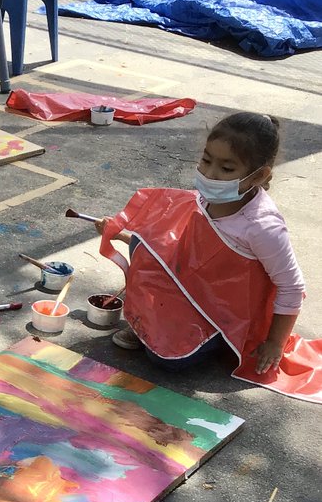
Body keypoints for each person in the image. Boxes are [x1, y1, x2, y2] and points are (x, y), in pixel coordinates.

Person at [95, 112, 322, 400]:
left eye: (227, 169)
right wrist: (123, 234)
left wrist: (275, 343)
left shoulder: (262, 227)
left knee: (169, 362)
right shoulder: (208, 196)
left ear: (259, 175)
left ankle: (210, 342)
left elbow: (292, 286)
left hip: (229, 314)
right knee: (142, 243)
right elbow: (184, 246)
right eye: (206, 160)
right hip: (196, 288)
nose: (210, 175)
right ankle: (152, 329)